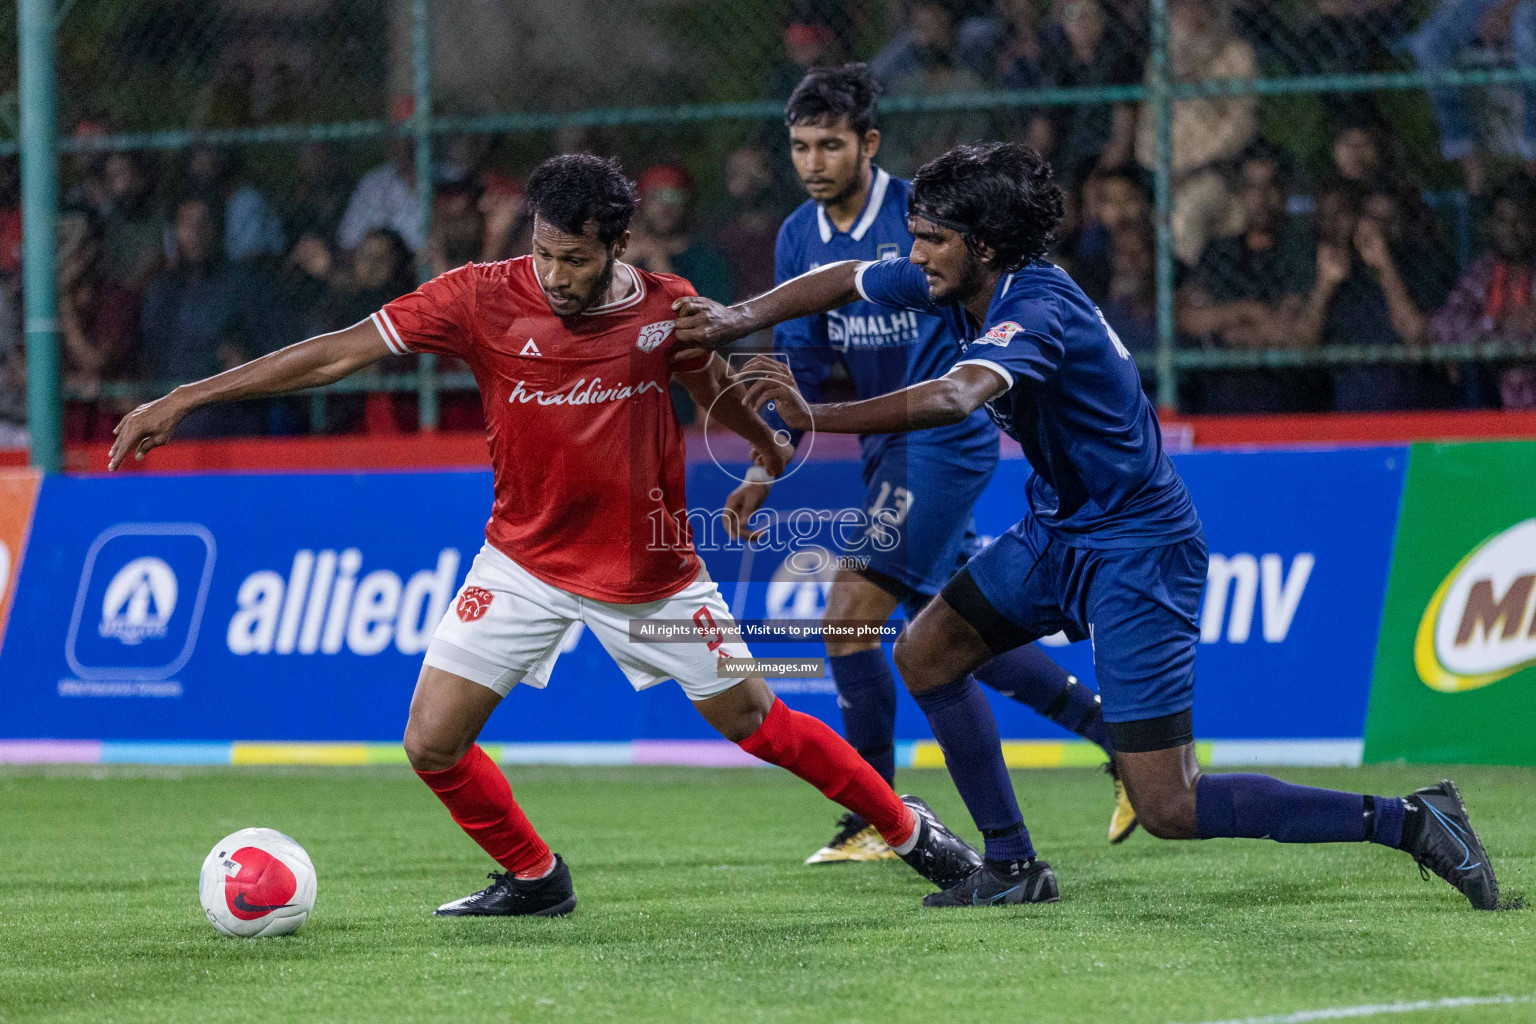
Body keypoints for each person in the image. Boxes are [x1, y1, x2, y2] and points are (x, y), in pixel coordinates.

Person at [109, 154, 982, 917]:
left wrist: (761, 456)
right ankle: (533, 876)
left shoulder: (668, 311)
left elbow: (712, 389)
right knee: (431, 743)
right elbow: (338, 351)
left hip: (651, 578)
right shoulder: (479, 299)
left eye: (575, 260)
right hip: (521, 561)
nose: (555, 276)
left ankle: (911, 832)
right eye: (544, 253)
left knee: (758, 724)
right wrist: (188, 397)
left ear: (616, 249)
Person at [674, 142, 1501, 912]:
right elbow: (849, 277)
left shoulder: (1035, 308)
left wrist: (812, 414)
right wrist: (731, 319)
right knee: (927, 651)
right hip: (1059, 531)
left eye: (930, 239)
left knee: (1171, 804)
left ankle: (1411, 820)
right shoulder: (959, 277)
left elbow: (955, 397)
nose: (914, 254)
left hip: (1139, 546)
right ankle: (1011, 866)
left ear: (987, 245)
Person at [753, 64, 1134, 867]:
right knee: (957, 631)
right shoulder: (796, 237)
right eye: (799, 147)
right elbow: (800, 367)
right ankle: (1117, 736)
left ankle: (874, 817)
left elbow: (960, 370)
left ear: (869, 144)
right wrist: (769, 454)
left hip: (942, 435)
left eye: (830, 144)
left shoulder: (922, 216)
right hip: (881, 444)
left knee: (849, 618)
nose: (814, 162)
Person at [1176, 143, 1323, 413]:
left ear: (1285, 191)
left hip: (1284, 393)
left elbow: (1290, 335)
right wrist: (1252, 311)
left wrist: (1226, 324)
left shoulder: (1301, 253)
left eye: (1270, 186)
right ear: (1240, 194)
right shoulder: (1217, 252)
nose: (1261, 197)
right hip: (1222, 392)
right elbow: (1188, 318)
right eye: (1251, 187)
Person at [1294, 179, 1454, 410]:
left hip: (1416, 403)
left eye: (1390, 221)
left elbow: (1415, 334)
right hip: (1353, 406)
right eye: (1373, 220)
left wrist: (1385, 265)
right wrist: (1324, 286)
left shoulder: (1424, 265)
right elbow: (1302, 345)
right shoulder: (1340, 270)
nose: (1381, 230)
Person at [1429, 173, 1536, 407]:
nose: (1511, 230)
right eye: (1503, 221)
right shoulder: (1483, 272)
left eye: (1520, 220)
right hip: (1489, 393)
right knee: (1471, 372)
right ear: (1491, 224)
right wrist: (1496, 322)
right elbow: (1443, 325)